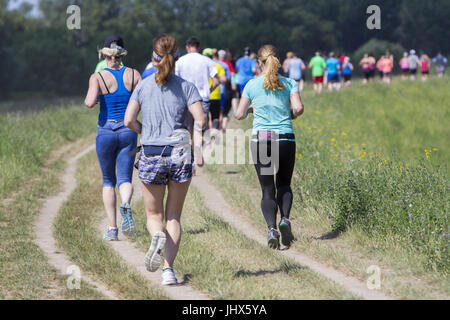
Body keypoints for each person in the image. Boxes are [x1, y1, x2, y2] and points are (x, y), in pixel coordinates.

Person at [124, 34, 206, 286]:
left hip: (151, 153)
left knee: (153, 214)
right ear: (176, 58)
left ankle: (156, 236)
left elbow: (128, 120)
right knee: (174, 216)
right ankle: (168, 270)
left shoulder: (143, 85)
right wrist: (198, 148)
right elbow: (200, 120)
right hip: (180, 154)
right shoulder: (186, 86)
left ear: (153, 57)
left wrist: (145, 132)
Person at [235, 44, 304, 249]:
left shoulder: (252, 85)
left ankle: (272, 229)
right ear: (278, 59)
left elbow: (238, 115)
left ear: (259, 62)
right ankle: (285, 219)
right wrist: (291, 114)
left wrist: (250, 109)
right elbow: (298, 107)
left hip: (263, 139)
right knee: (284, 183)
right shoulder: (289, 83)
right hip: (285, 138)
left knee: (267, 189)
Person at [84, 35, 141, 241]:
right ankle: (126, 202)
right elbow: (143, 100)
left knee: (108, 180)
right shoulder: (135, 74)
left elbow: (90, 102)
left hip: (106, 131)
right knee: (125, 178)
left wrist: (100, 96)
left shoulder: (97, 77)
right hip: (128, 130)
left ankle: (112, 229)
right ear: (122, 54)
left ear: (104, 55)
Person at [175, 37, 219, 133]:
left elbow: (175, 80)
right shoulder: (207, 60)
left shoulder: (180, 61)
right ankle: (201, 146)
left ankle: (190, 147)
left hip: (185, 99)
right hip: (203, 98)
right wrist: (209, 90)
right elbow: (216, 81)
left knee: (187, 129)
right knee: (201, 129)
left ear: (187, 47)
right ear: (198, 47)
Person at [203, 48, 227, 138]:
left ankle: (205, 133)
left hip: (204, 94)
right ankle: (214, 130)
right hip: (216, 93)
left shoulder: (201, 66)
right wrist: (219, 82)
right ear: (212, 56)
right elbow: (224, 79)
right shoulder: (217, 66)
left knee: (205, 115)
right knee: (215, 115)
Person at [218, 49, 235, 133]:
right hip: (224, 89)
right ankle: (222, 127)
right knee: (223, 110)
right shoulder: (227, 64)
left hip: (212, 90)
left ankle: (215, 127)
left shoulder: (213, 63)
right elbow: (231, 76)